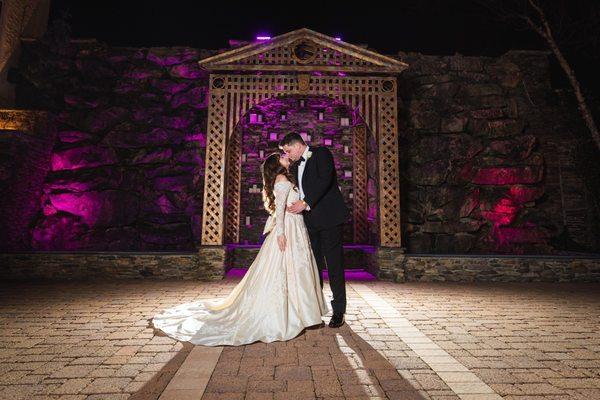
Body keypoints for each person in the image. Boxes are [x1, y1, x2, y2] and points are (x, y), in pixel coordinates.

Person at [150, 153, 328, 346]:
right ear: (276, 165)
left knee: (297, 269)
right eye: (282, 157)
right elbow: (279, 210)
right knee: (291, 269)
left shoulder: (284, 177)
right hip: (289, 229)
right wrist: (281, 234)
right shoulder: (282, 179)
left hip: (296, 227)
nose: (286, 156)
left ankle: (304, 315)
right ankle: (300, 316)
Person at [279, 133, 350, 328]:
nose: (287, 154)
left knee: (334, 266)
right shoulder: (294, 165)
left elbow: (325, 180)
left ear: (298, 145)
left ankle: (338, 311)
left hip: (330, 219)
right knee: (313, 266)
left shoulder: (321, 154)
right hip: (309, 223)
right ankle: (314, 309)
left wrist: (305, 202)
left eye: (288, 150)